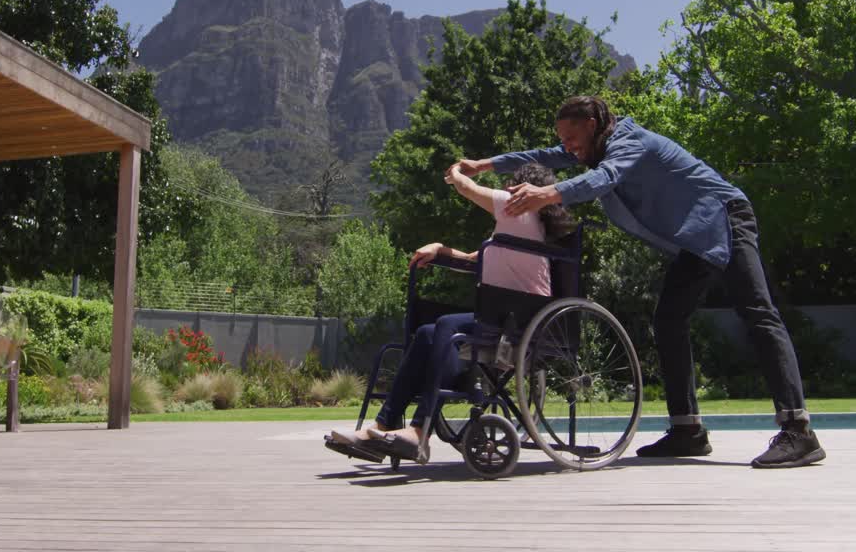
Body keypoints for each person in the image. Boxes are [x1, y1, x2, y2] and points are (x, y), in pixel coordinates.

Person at [454, 95, 826, 469]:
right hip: (695, 241)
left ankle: (798, 429)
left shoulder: (629, 143)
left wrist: (547, 194)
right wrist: (484, 164)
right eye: (563, 139)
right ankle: (687, 430)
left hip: (724, 218)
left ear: (596, 126)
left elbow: (605, 179)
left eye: (573, 137)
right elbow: (545, 156)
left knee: (758, 313)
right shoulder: (592, 150)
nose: (567, 146)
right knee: (668, 321)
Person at [326, 162, 571, 462]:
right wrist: (440, 249)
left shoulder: (518, 209)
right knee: (428, 333)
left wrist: (455, 174)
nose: (507, 189)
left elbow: (468, 189)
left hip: (517, 326)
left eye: (512, 184)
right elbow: (471, 259)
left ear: (523, 189)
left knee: (444, 325)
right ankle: (383, 424)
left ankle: (419, 432)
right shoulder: (523, 229)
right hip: (502, 322)